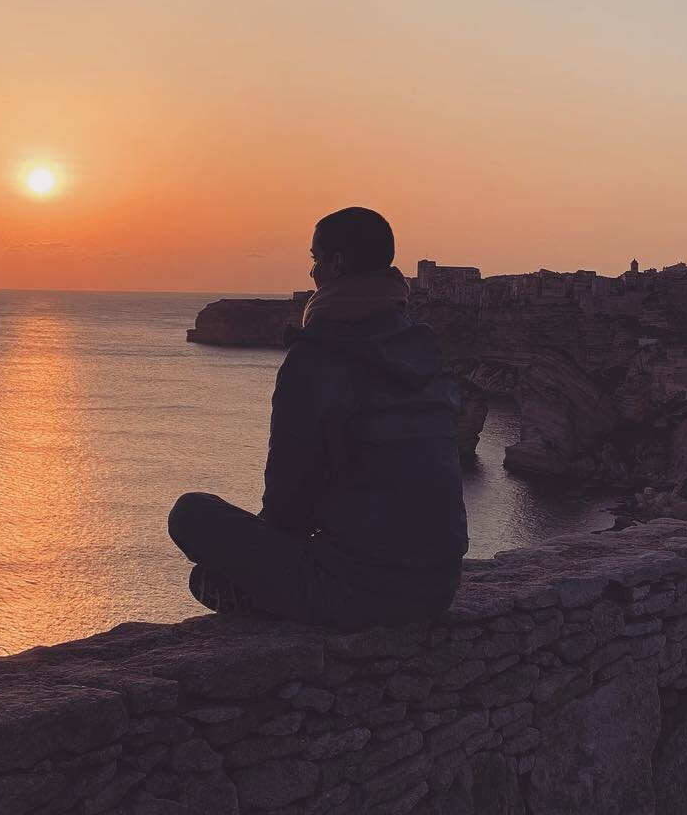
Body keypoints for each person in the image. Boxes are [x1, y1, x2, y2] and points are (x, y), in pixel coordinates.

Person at [168, 206, 468, 629]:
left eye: (315, 259)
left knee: (191, 513)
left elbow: (289, 496)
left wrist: (258, 561)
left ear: (336, 264)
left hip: (359, 591)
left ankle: (266, 602)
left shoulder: (318, 357)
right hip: (437, 588)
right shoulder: (423, 348)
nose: (311, 273)